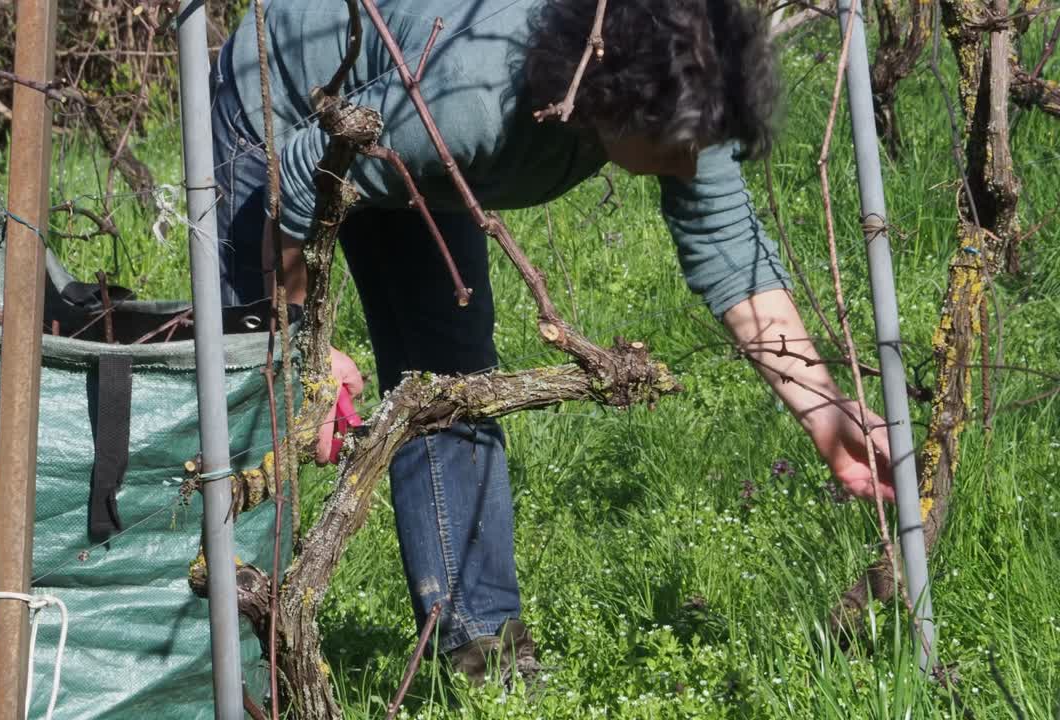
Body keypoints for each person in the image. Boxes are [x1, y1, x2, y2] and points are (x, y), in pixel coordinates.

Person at [210, 0, 895, 688]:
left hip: (401, 123)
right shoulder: (475, 100)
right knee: (259, 394)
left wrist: (827, 411)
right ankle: (239, 669)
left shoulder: (687, 90)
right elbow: (295, 181)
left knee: (449, 381)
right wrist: (300, 349)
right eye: (677, 150)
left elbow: (728, 247)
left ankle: (487, 656)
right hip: (286, 101)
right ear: (608, 96)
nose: (689, 168)